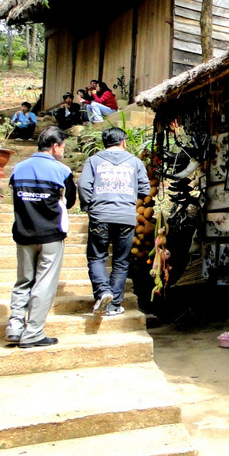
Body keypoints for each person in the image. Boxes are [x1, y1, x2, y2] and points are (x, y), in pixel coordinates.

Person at [6, 126, 75, 347]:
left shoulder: (18, 168)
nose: (63, 151)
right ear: (55, 146)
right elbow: (71, 201)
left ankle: (15, 328)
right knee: (44, 283)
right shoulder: (62, 172)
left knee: (23, 280)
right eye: (63, 147)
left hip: (24, 233)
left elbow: (15, 198)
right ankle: (33, 332)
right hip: (51, 236)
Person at [78, 127, 149, 316]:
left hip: (100, 215)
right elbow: (145, 189)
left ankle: (103, 291)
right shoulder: (135, 162)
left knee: (96, 257)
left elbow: (84, 186)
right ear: (124, 142)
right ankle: (113, 305)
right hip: (125, 217)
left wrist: (88, 207)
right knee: (121, 260)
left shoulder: (93, 161)